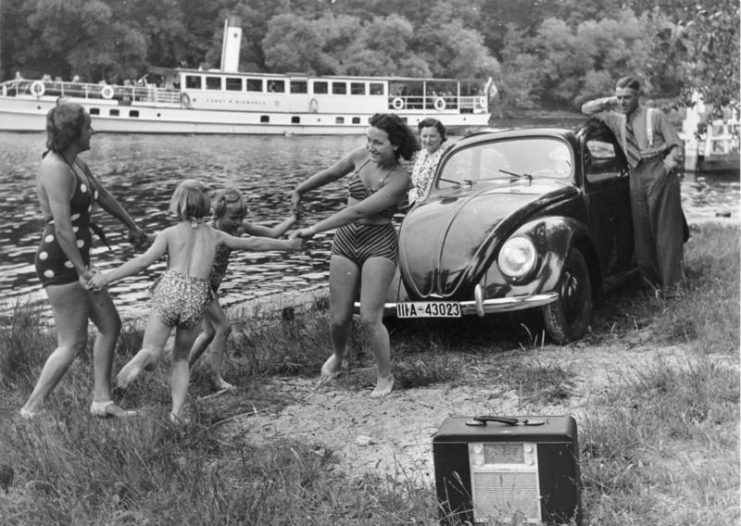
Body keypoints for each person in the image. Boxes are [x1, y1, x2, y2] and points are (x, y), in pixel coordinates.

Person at [89, 180, 303, 423]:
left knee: (152, 350)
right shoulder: (215, 235)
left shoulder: (169, 233)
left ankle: (143, 358)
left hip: (170, 288)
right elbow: (256, 243)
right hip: (199, 294)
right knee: (180, 358)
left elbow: (142, 262)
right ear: (206, 207)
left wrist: (107, 277)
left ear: (178, 204)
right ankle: (177, 413)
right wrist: (289, 245)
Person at [20, 103, 148, 419]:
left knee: (110, 325)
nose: (93, 130)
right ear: (73, 132)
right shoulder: (54, 168)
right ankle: (30, 410)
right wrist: (82, 271)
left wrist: (131, 224)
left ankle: (101, 402)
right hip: (61, 261)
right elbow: (63, 228)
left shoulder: (75, 162)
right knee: (72, 342)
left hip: (77, 259)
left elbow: (101, 194)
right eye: (89, 126)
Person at [291, 113, 418, 398]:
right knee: (338, 318)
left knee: (370, 318)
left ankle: (385, 376)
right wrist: (301, 189)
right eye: (368, 140)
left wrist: (314, 229)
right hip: (347, 240)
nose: (370, 147)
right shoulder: (361, 156)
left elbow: (359, 210)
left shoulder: (400, 179)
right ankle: (338, 356)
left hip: (378, 244)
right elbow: (332, 173)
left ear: (396, 145)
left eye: (378, 143)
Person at [581, 76, 685, 296]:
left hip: (658, 168)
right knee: (642, 232)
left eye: (627, 97)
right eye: (619, 97)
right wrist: (611, 100)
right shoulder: (615, 119)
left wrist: (666, 168)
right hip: (635, 174)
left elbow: (677, 146)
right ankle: (651, 284)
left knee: (666, 231)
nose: (622, 102)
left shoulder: (654, 116)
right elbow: (586, 108)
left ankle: (672, 288)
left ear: (639, 96)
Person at [187, 187, 298, 390]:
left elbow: (271, 233)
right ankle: (215, 377)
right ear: (219, 212)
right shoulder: (209, 230)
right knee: (224, 327)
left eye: (241, 217)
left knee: (209, 332)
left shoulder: (239, 228)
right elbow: (254, 244)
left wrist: (292, 220)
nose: (238, 222)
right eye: (233, 217)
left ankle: (181, 371)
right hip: (199, 284)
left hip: (211, 285)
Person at [408, 118, 452, 204]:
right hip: (414, 201)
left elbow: (436, 186)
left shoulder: (443, 157)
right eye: (424, 136)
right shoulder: (422, 154)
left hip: (430, 203)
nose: (428, 140)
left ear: (441, 137)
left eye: (432, 136)